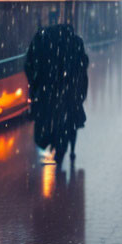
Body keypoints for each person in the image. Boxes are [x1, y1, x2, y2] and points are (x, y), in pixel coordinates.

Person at [25, 24, 90, 166]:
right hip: (70, 94)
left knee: (52, 120)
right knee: (71, 123)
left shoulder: (43, 42)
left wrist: (36, 85)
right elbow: (82, 69)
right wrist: (80, 92)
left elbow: (30, 65)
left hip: (49, 93)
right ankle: (67, 149)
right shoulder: (75, 43)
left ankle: (54, 144)